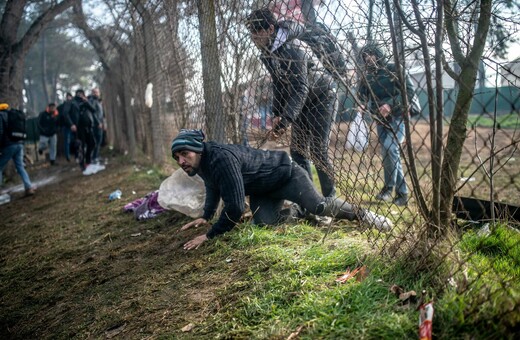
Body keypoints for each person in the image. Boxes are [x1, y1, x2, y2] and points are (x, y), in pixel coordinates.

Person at [171, 129, 392, 250]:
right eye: (177, 157)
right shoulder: (199, 162)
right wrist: (206, 215)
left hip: (286, 174)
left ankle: (363, 214)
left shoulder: (220, 159)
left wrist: (210, 236)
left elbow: (236, 207)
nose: (181, 161)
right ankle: (301, 211)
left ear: (197, 149)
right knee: (266, 224)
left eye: (185, 154)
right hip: (263, 189)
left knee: (319, 205)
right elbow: (212, 186)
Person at [246, 8, 337, 198]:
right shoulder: (268, 52)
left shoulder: (293, 47)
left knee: (318, 151)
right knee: (298, 152)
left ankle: (331, 200)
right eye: (251, 33)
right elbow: (279, 84)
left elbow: (301, 87)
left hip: (322, 97)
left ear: (270, 29)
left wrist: (286, 119)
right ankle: (311, 200)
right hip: (301, 102)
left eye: (257, 32)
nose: (253, 38)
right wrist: (277, 113)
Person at [357, 44, 415, 206]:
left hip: (398, 116)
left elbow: (408, 93)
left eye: (371, 54)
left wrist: (390, 105)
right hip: (380, 120)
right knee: (388, 153)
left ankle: (398, 191)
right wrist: (361, 104)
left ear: (378, 54)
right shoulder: (367, 77)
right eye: (365, 56)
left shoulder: (395, 69)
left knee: (391, 148)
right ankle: (392, 191)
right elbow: (362, 95)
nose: (368, 58)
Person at [0, 103, 36, 196]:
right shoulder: (13, 115)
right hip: (19, 144)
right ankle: (28, 187)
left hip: (9, 145)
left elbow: (0, 132)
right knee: (20, 167)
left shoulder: (1, 116)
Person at [70, 89, 103, 175]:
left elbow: (93, 110)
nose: (80, 96)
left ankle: (88, 160)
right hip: (79, 128)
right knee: (81, 146)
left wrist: (86, 102)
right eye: (79, 94)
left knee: (92, 143)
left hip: (88, 126)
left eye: (82, 94)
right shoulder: (73, 103)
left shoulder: (86, 102)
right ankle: (82, 164)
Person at [88, 88, 104, 164]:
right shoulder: (92, 101)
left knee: (98, 141)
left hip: (99, 123)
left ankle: (96, 156)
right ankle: (94, 157)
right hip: (95, 124)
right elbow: (93, 113)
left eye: (97, 92)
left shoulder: (97, 101)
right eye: (95, 92)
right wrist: (98, 123)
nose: (96, 94)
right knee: (96, 141)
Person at [57, 92, 74, 162]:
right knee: (67, 141)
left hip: (71, 125)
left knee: (70, 140)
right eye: (67, 96)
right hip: (66, 126)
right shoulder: (62, 107)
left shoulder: (72, 105)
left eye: (69, 96)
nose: (68, 98)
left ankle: (71, 154)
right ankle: (68, 156)